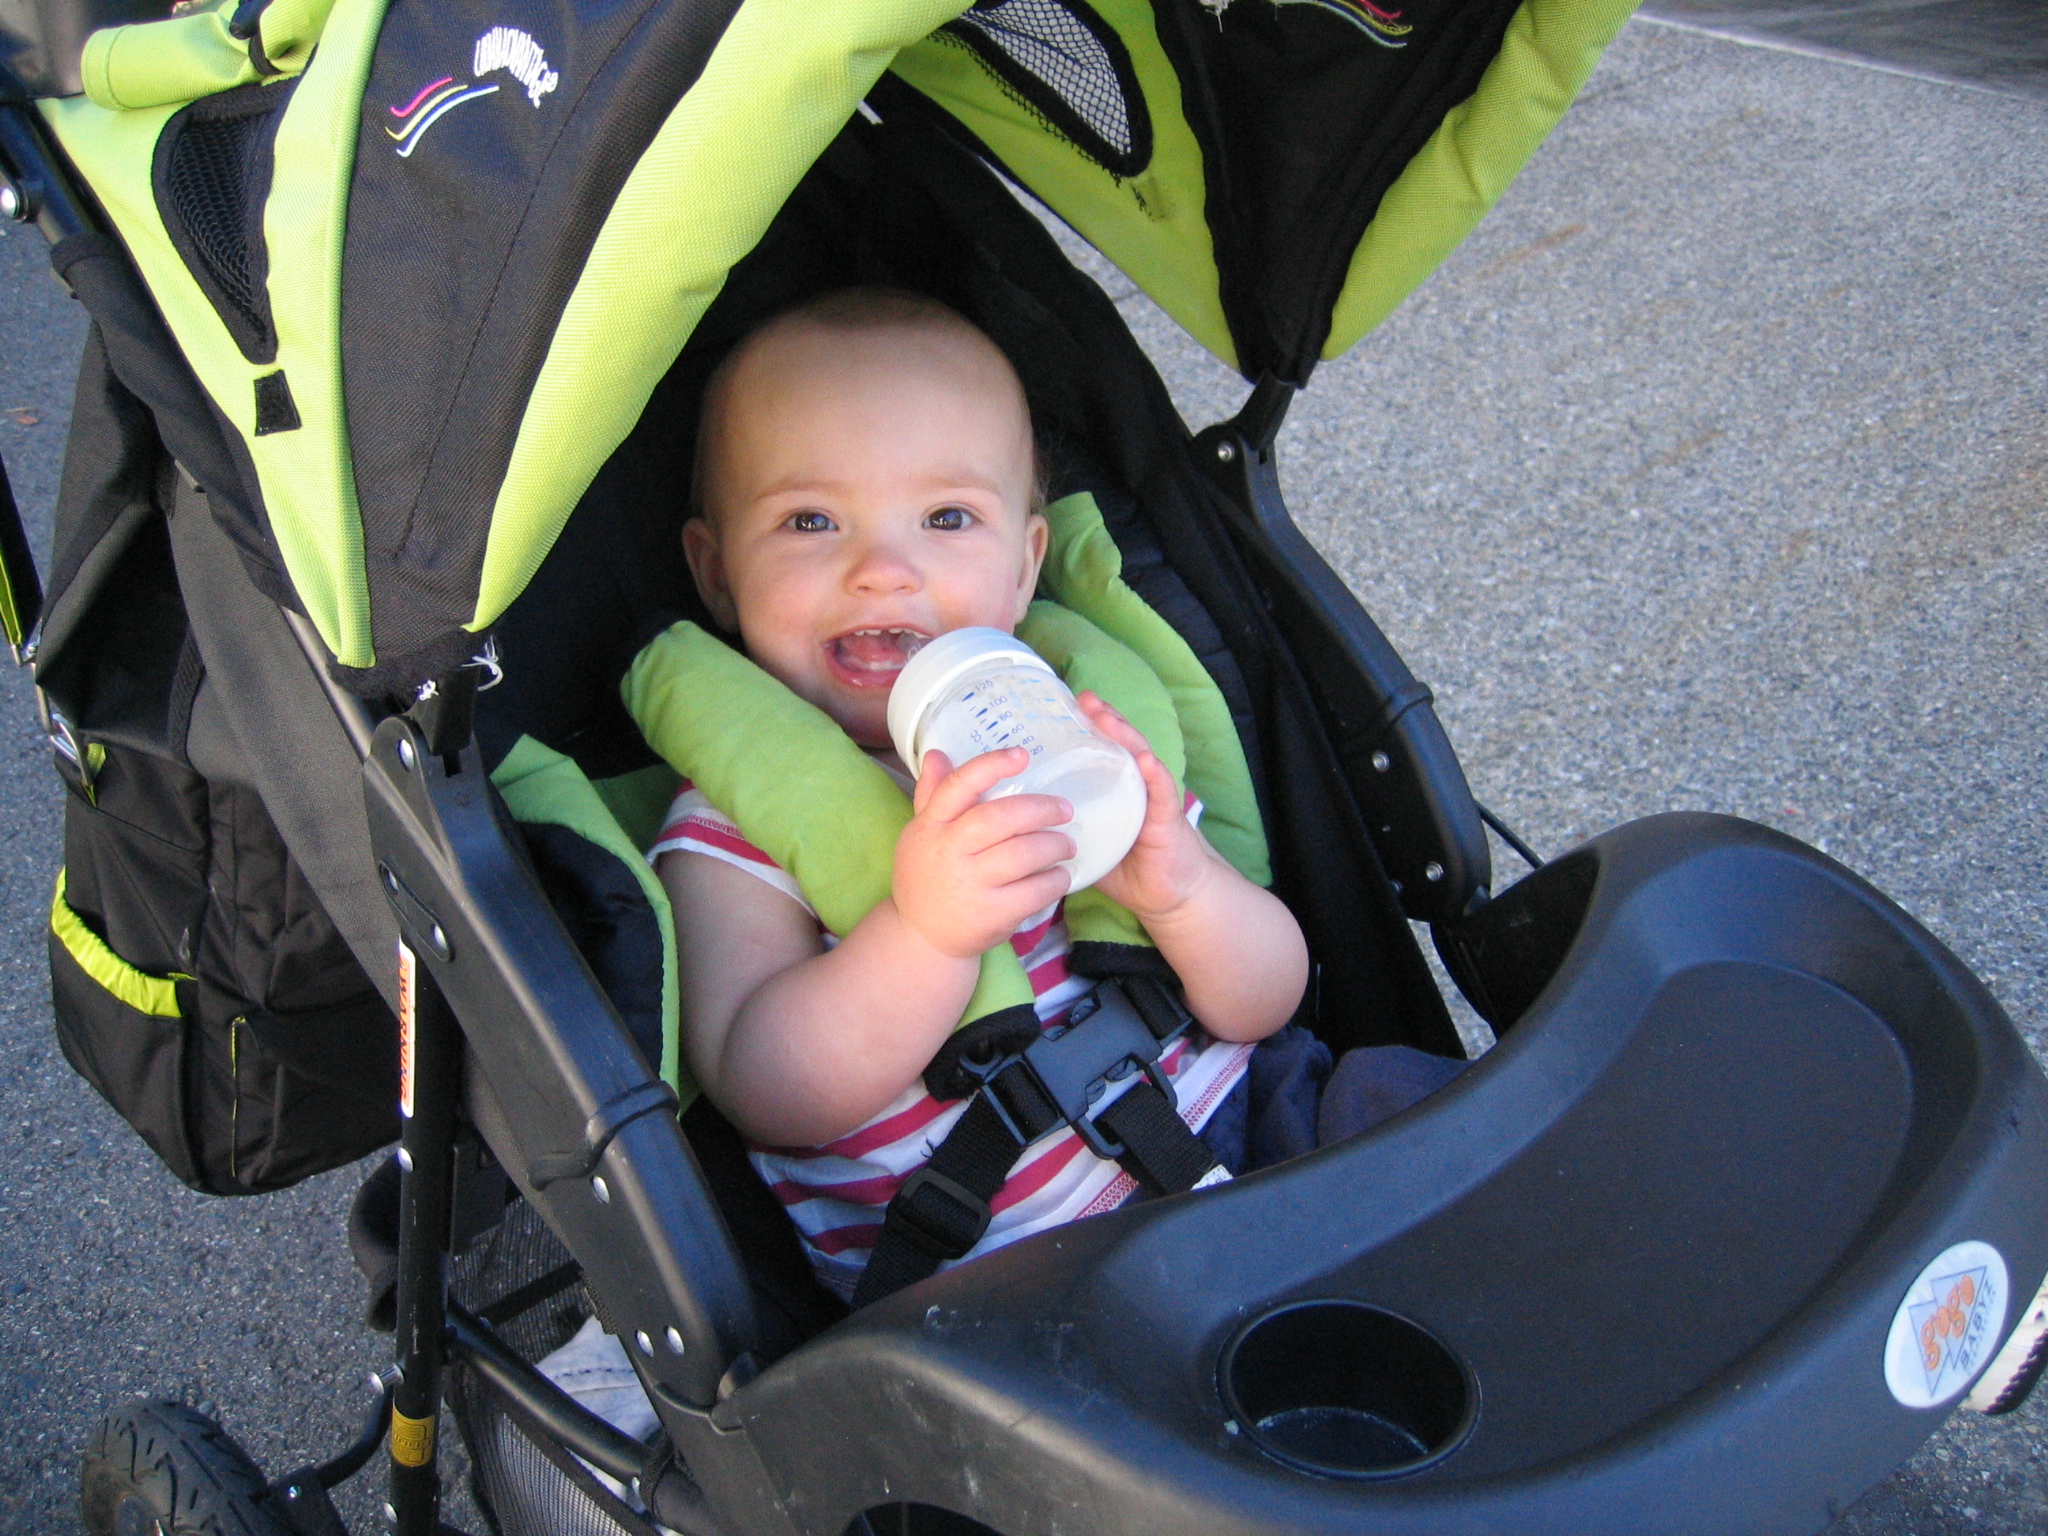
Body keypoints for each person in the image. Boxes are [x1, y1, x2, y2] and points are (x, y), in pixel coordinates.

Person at [650, 286, 1309, 1298]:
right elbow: (765, 1087)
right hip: (1004, 1275)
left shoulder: (1073, 737)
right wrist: (925, 936)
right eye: (809, 520)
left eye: (947, 518)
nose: (882, 570)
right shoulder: (731, 826)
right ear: (717, 572)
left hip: (1253, 1132)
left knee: (1424, 1114)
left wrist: (1184, 892)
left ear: (1025, 567)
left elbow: (1266, 1002)